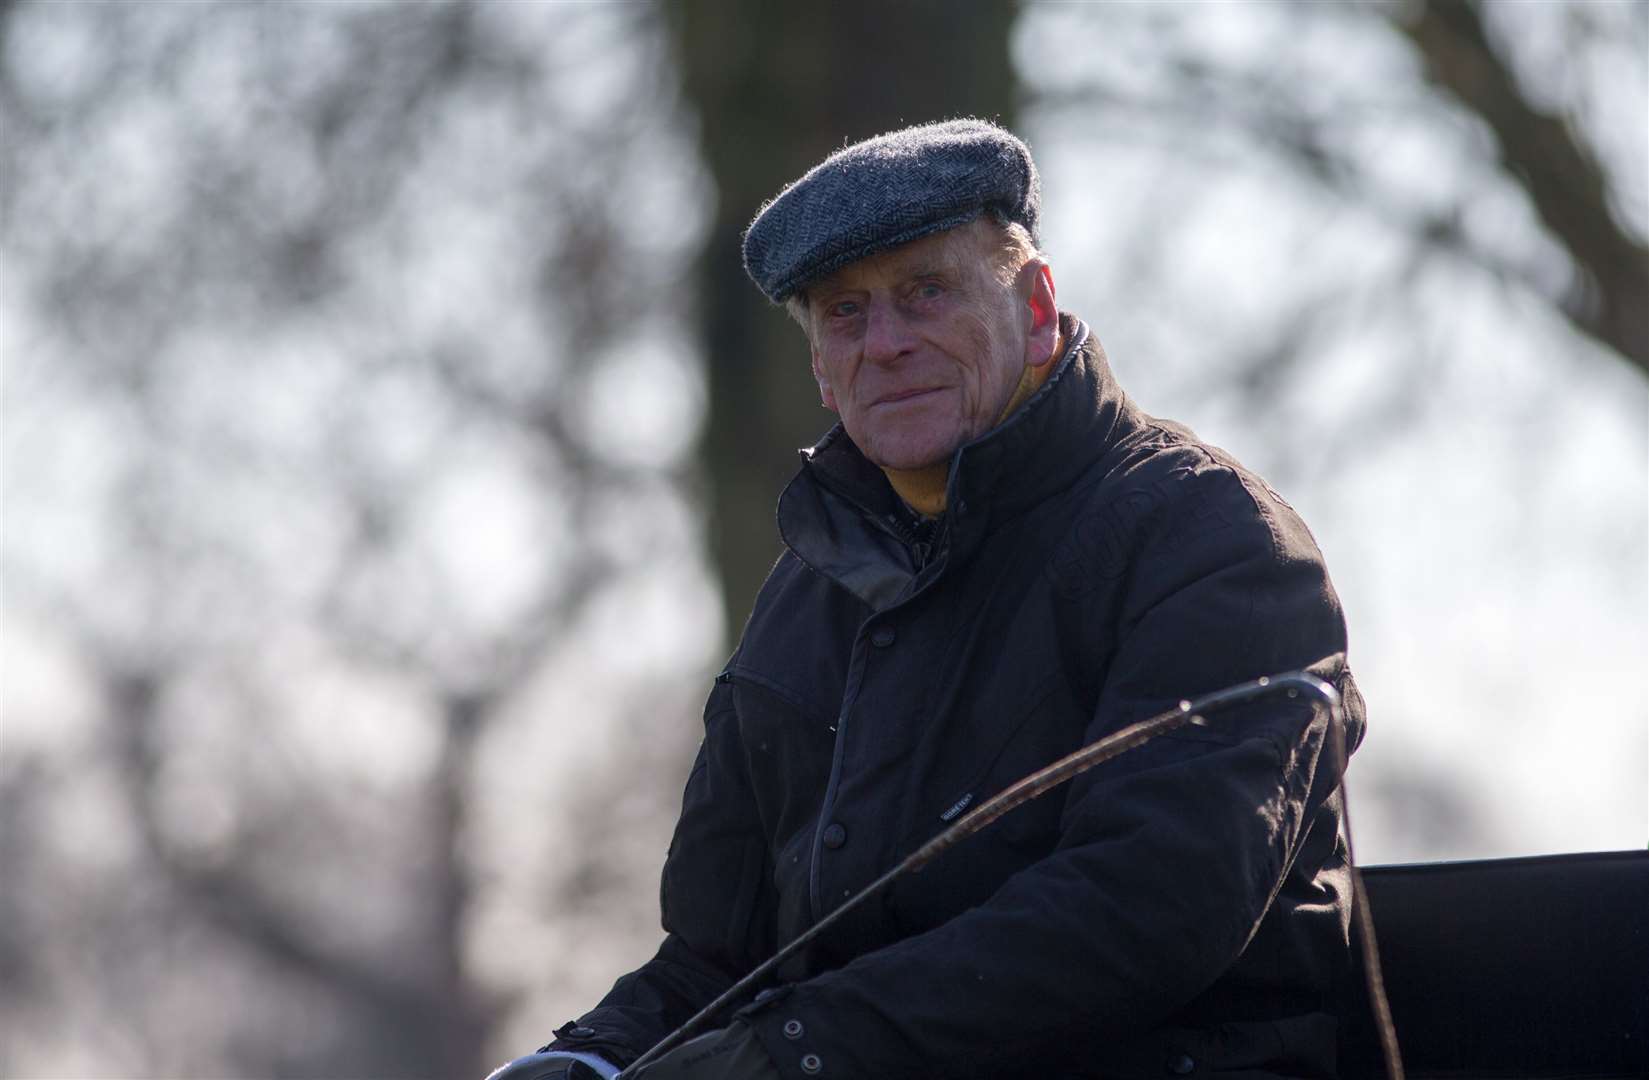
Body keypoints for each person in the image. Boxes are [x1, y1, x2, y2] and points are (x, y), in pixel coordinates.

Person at [488, 119, 1366, 1080]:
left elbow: (1150, 904)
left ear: (1035, 306)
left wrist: (795, 1057)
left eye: (927, 293)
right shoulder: (809, 592)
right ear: (821, 370)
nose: (886, 344)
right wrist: (588, 1061)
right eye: (844, 314)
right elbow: (716, 960)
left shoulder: (1211, 540)